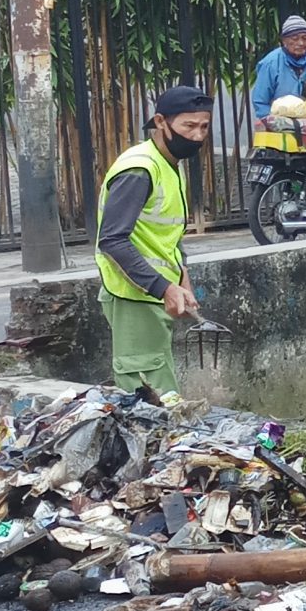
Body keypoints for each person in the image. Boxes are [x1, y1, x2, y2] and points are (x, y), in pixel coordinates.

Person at [96, 86, 210, 400]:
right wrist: (165, 287)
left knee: (160, 396)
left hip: (152, 296)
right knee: (149, 404)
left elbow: (165, 233)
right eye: (188, 126)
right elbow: (113, 241)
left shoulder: (168, 164)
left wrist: (181, 273)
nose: (198, 136)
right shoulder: (140, 170)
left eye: (204, 126)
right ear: (160, 121)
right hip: (135, 297)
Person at [250, 15, 306, 125]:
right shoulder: (270, 63)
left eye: (305, 38)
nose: (301, 43)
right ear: (284, 41)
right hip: (277, 123)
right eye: (295, 39)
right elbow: (260, 100)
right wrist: (271, 122)